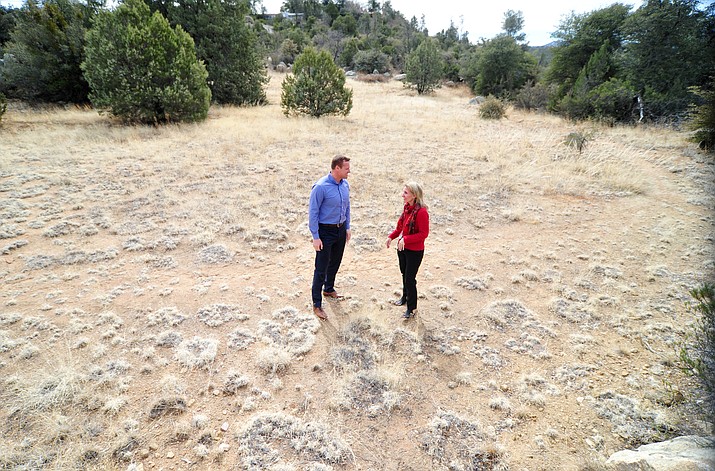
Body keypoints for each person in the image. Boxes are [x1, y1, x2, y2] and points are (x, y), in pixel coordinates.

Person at [308, 155, 352, 320]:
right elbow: (313, 212)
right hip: (325, 232)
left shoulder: (345, 184)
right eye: (346, 168)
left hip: (340, 230)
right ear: (337, 168)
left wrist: (347, 227)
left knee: (335, 261)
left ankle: (329, 288)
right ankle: (317, 304)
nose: (349, 171)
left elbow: (346, 207)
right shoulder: (320, 187)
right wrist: (315, 237)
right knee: (321, 267)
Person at [386, 182, 429, 319]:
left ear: (414, 195)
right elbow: (400, 228)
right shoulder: (407, 208)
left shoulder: (422, 212)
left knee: (410, 278)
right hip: (402, 248)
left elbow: (423, 234)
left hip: (414, 251)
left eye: (405, 193)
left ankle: (411, 308)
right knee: (404, 275)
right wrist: (391, 237)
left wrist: (406, 239)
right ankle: (404, 298)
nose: (402, 195)